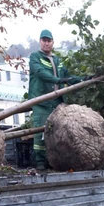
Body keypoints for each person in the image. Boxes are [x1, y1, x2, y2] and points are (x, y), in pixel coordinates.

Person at [28, 29, 83, 170]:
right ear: (40, 42)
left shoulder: (58, 60)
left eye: (49, 41)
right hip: (41, 102)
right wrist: (59, 80)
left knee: (58, 131)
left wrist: (83, 79)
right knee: (41, 130)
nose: (46, 43)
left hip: (57, 102)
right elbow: (41, 73)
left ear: (53, 43)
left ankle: (56, 160)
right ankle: (40, 162)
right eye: (44, 40)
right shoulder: (35, 57)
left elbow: (67, 76)